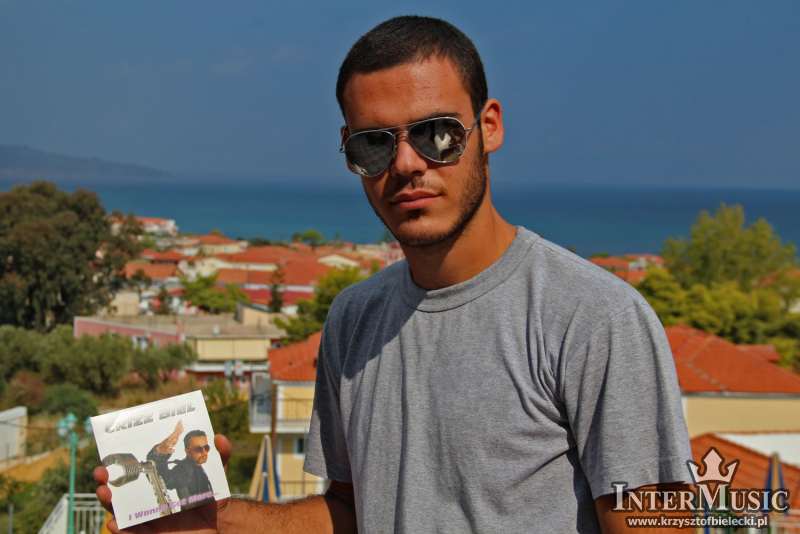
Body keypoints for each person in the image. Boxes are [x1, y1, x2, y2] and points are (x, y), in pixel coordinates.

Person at [95, 15, 691, 533]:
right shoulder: (354, 319)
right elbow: (351, 514)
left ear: (489, 127)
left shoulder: (593, 318)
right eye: (374, 144)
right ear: (349, 151)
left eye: (437, 134)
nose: (406, 163)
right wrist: (217, 519)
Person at [146, 422, 215, 508]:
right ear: (187, 451)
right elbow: (163, 480)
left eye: (206, 448)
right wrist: (160, 452)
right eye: (198, 449)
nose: (204, 452)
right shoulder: (183, 470)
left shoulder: (196, 466)